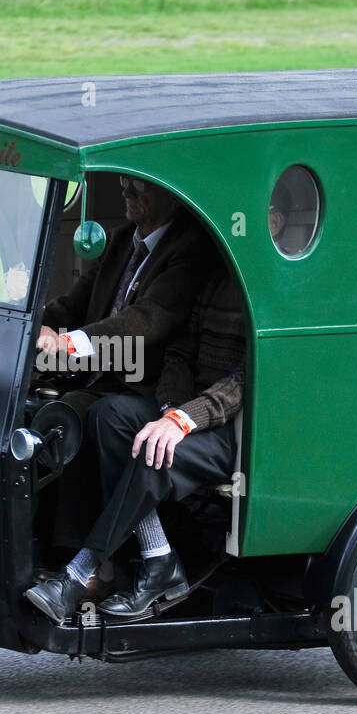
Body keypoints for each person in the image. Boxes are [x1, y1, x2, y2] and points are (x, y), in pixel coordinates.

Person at [25, 265, 246, 623]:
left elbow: (243, 382)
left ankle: (77, 575)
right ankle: (159, 557)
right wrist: (169, 408)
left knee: (152, 449)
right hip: (191, 410)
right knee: (108, 414)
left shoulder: (271, 288)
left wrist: (183, 420)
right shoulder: (217, 277)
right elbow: (180, 353)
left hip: (237, 430)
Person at [37, 175, 212, 552]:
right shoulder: (120, 241)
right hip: (96, 380)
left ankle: (80, 560)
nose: (125, 190)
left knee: (75, 413)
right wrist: (32, 326)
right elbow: (72, 305)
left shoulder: (191, 248)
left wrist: (66, 343)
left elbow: (146, 320)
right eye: (123, 180)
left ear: (173, 193)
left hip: (150, 389)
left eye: (140, 183)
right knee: (33, 405)